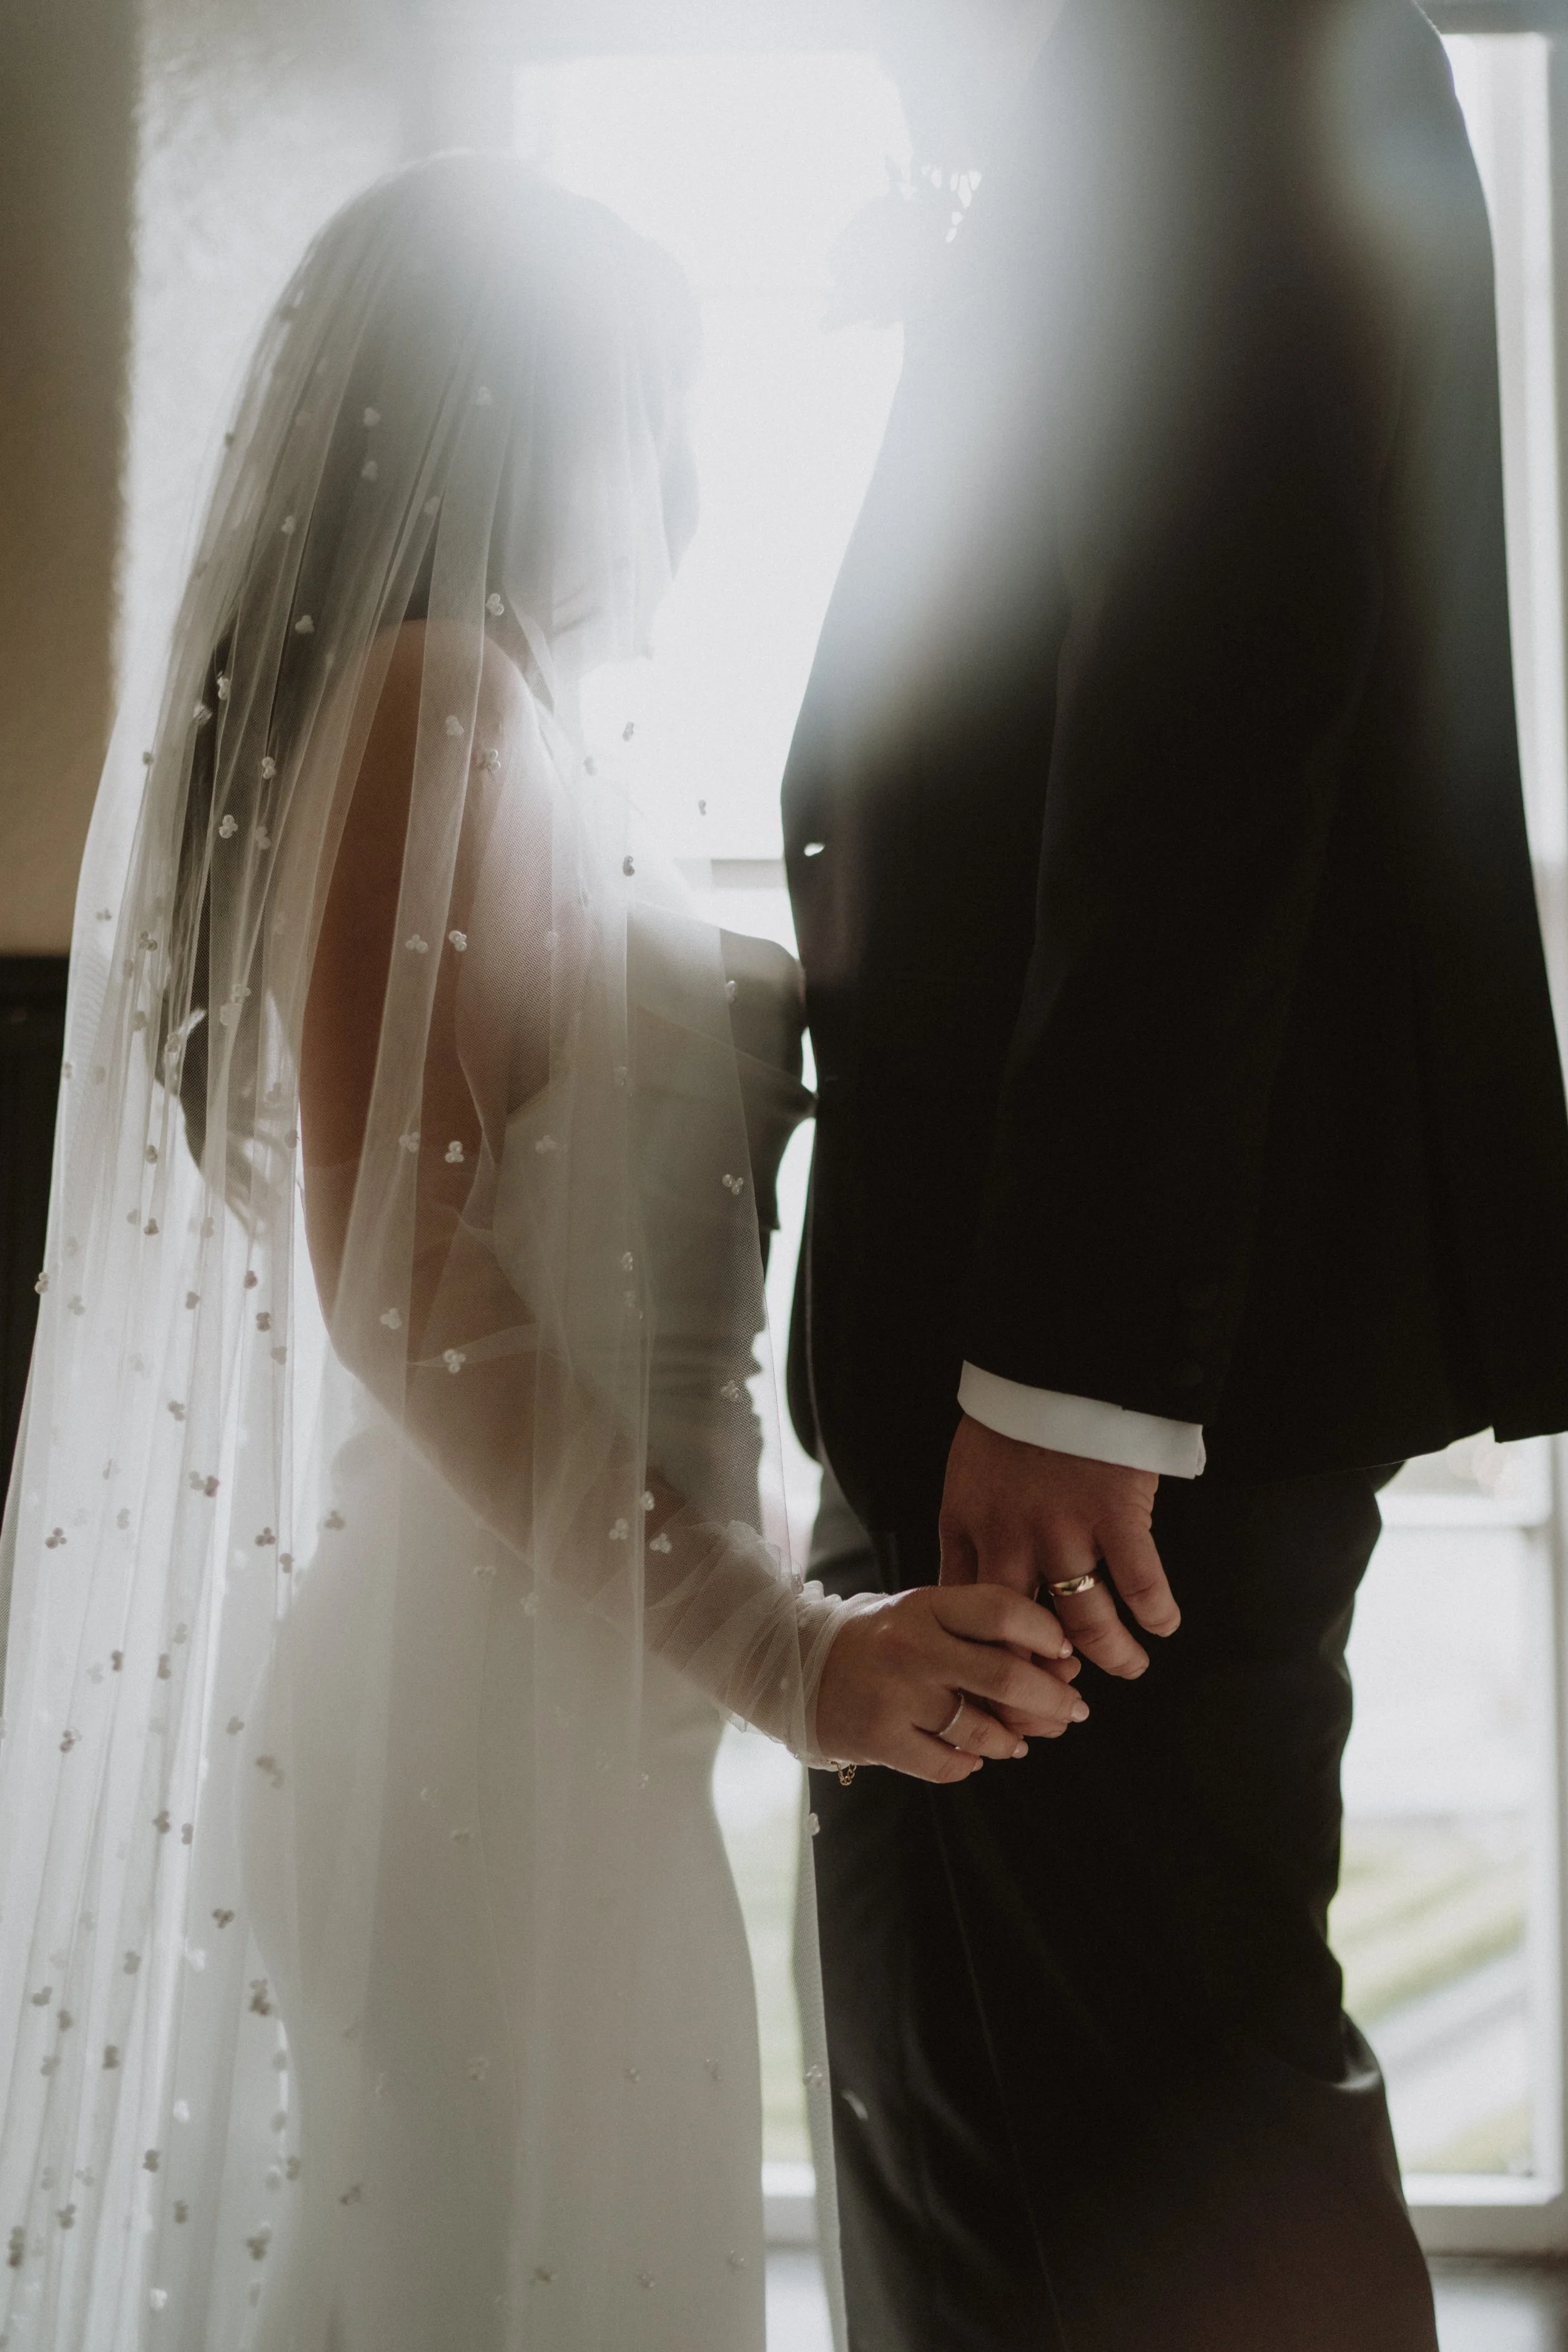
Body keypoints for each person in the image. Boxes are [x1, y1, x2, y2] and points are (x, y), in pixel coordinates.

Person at [0, 154, 1087, 2352]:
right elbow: (401, 1284)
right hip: (478, 1747)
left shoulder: (491, 718)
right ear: (517, 413)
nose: (678, 469)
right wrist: (787, 1652)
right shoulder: (436, 705)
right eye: (645, 397)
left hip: (552, 1718)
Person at [787, 3, 1568, 2349]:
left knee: (1147, 2135)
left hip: (1108, 1387)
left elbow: (1211, 712)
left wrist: (1077, 1374)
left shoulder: (1215, 42)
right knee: (984, 2112)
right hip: (1024, 1338)